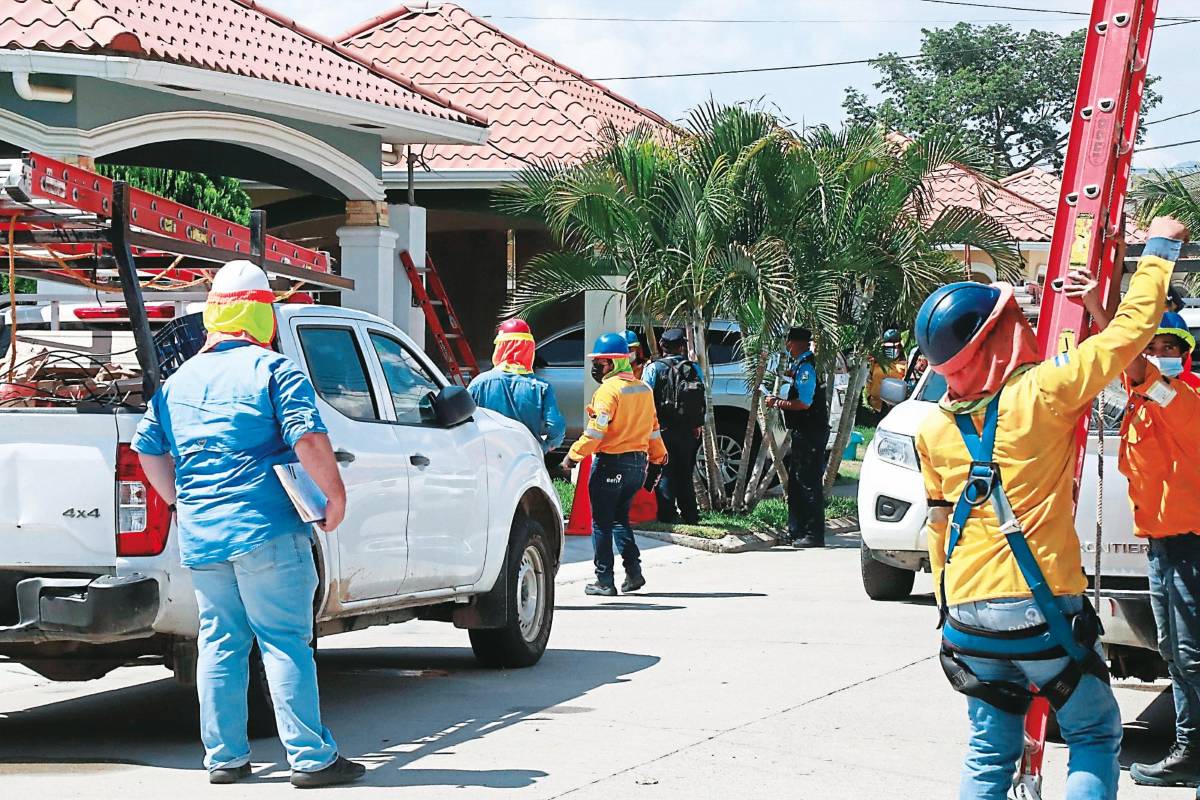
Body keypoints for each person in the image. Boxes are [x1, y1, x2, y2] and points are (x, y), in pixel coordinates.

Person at [915, 217, 1187, 800]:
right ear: (997, 337)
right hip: (1040, 618)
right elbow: (1129, 334)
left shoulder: (932, 426)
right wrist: (1160, 250)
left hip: (965, 620)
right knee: (1092, 730)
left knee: (989, 751)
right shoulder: (1043, 393)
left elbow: (938, 529)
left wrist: (947, 608)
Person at [132, 261, 365, 788]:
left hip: (203, 534)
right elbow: (307, 439)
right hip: (267, 530)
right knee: (283, 639)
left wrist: (178, 501)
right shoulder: (274, 371)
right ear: (262, 315)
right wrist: (334, 495)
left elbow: (147, 449)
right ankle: (310, 758)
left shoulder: (180, 379)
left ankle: (224, 758)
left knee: (219, 643)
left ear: (215, 314)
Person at [1070, 277, 1200, 788]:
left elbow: (1133, 364)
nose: (1161, 354)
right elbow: (1127, 365)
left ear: (1184, 354)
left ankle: (1190, 750)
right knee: (1173, 650)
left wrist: (1098, 308)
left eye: (1171, 347)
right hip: (1163, 544)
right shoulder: (1145, 399)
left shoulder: (1182, 397)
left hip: (1189, 545)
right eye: (1155, 346)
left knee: (1190, 652)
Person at [562, 332, 667, 596]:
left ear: (616, 362)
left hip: (611, 464)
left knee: (601, 523)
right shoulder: (644, 389)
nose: (597, 366)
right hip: (636, 465)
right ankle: (634, 573)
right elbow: (654, 431)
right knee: (621, 519)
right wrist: (657, 459)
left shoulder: (607, 391)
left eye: (601, 361)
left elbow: (595, 433)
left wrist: (572, 456)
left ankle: (604, 580)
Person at [765, 327, 828, 548]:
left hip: (810, 432)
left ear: (797, 343)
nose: (787, 347)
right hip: (806, 432)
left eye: (789, 342)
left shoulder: (806, 368)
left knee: (808, 484)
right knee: (798, 483)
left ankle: (813, 534)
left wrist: (777, 402)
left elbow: (804, 403)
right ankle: (797, 530)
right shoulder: (804, 365)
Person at [468, 318, 566, 454]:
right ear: (529, 349)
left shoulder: (479, 383)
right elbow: (556, 426)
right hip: (527, 455)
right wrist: (546, 446)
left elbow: (464, 421)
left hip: (488, 455)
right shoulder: (541, 387)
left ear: (500, 348)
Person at [643, 327, 706, 524]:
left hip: (661, 430)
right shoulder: (693, 368)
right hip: (687, 430)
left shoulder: (653, 369)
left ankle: (667, 516)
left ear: (662, 346)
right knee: (686, 472)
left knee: (665, 472)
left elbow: (644, 399)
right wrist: (696, 425)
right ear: (682, 347)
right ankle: (690, 515)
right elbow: (700, 399)